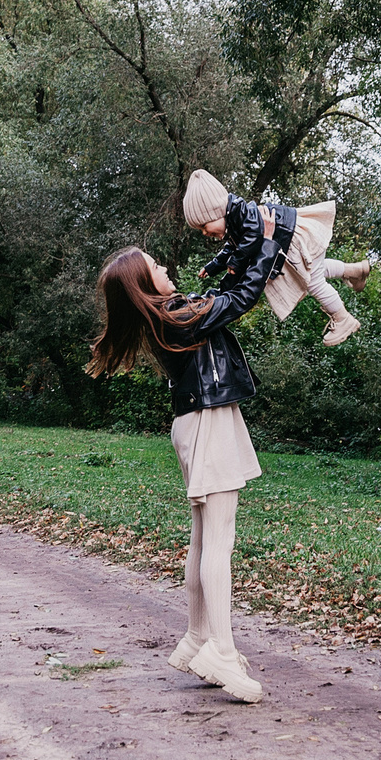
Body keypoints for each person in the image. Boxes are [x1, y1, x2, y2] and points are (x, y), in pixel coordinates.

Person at [86, 206, 290, 703]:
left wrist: (245, 249)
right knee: (218, 539)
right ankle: (220, 649)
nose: (166, 269)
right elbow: (240, 299)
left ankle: (199, 635)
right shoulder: (174, 316)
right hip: (207, 420)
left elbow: (227, 291)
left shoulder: (173, 313)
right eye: (156, 267)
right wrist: (267, 239)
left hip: (197, 419)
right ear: (144, 286)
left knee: (203, 538)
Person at [182, 169, 375, 346]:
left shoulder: (244, 214)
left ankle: (342, 318)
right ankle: (355, 271)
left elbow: (251, 238)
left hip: (291, 240)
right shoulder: (233, 222)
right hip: (290, 238)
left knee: (312, 281)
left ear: (218, 211)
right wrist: (214, 266)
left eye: (204, 226)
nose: (204, 233)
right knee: (316, 268)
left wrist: (236, 262)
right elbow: (231, 249)